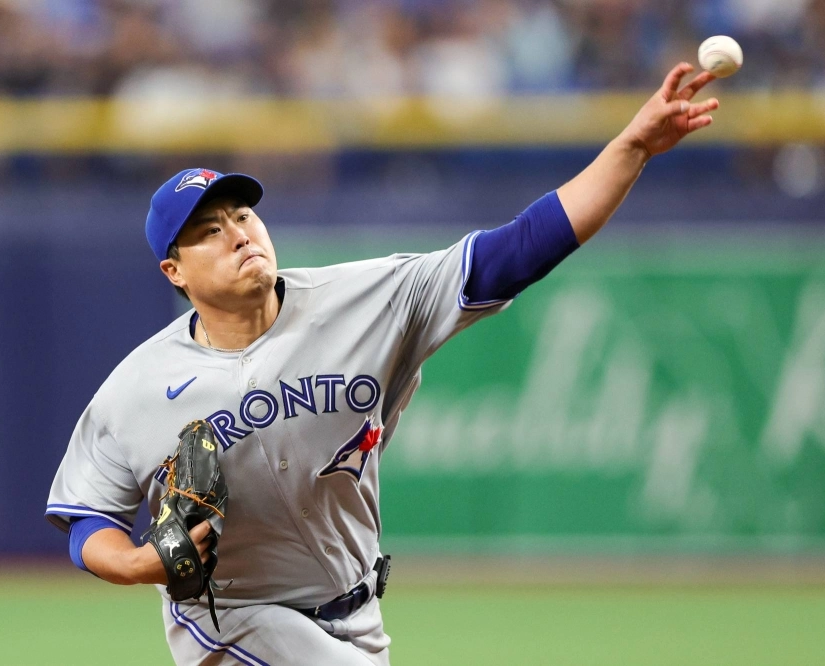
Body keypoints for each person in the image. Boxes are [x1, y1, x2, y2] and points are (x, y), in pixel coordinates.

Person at [46, 63, 718, 665]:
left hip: (357, 613)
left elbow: (515, 252)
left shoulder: (367, 300)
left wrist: (630, 149)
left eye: (243, 214)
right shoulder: (138, 387)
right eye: (207, 231)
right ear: (175, 271)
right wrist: (136, 564)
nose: (238, 233)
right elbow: (86, 518)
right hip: (229, 622)